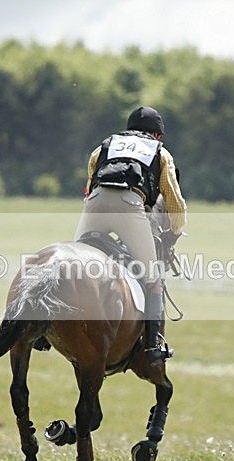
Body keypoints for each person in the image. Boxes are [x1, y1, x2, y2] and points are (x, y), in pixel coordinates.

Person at [73, 106, 187, 365]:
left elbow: (91, 185)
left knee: (72, 266)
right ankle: (152, 345)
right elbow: (175, 203)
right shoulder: (160, 152)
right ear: (157, 135)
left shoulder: (105, 145)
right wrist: (175, 231)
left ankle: (47, 329)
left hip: (96, 204)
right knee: (153, 279)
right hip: (130, 207)